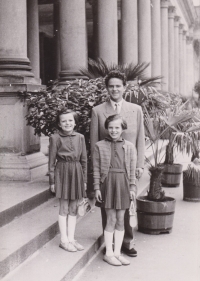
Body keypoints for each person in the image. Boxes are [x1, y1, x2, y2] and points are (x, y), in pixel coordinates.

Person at [90, 70, 145, 257]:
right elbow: (94, 143)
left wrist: (139, 164)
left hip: (128, 167)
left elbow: (140, 139)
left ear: (124, 87)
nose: (114, 89)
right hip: (108, 169)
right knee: (108, 207)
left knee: (126, 205)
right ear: (107, 88)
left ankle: (127, 242)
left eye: (118, 86)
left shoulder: (135, 110)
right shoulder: (97, 111)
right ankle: (110, 242)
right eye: (111, 86)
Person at [93, 114, 137, 266]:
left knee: (120, 219)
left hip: (123, 183)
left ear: (123, 128)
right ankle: (109, 253)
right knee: (110, 219)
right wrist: (97, 188)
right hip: (108, 183)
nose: (113, 130)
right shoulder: (99, 146)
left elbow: (132, 170)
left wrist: (132, 187)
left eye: (117, 127)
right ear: (106, 128)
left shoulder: (130, 146)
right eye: (110, 127)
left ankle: (117, 253)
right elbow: (97, 169)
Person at [49, 109, 87, 252]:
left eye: (70, 120)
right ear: (59, 124)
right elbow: (51, 162)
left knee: (73, 207)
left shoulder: (80, 137)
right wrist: (52, 181)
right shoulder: (55, 138)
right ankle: (64, 240)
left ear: (75, 122)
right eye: (64, 121)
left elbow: (84, 160)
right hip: (62, 172)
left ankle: (71, 238)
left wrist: (84, 180)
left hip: (76, 172)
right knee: (64, 207)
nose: (67, 123)